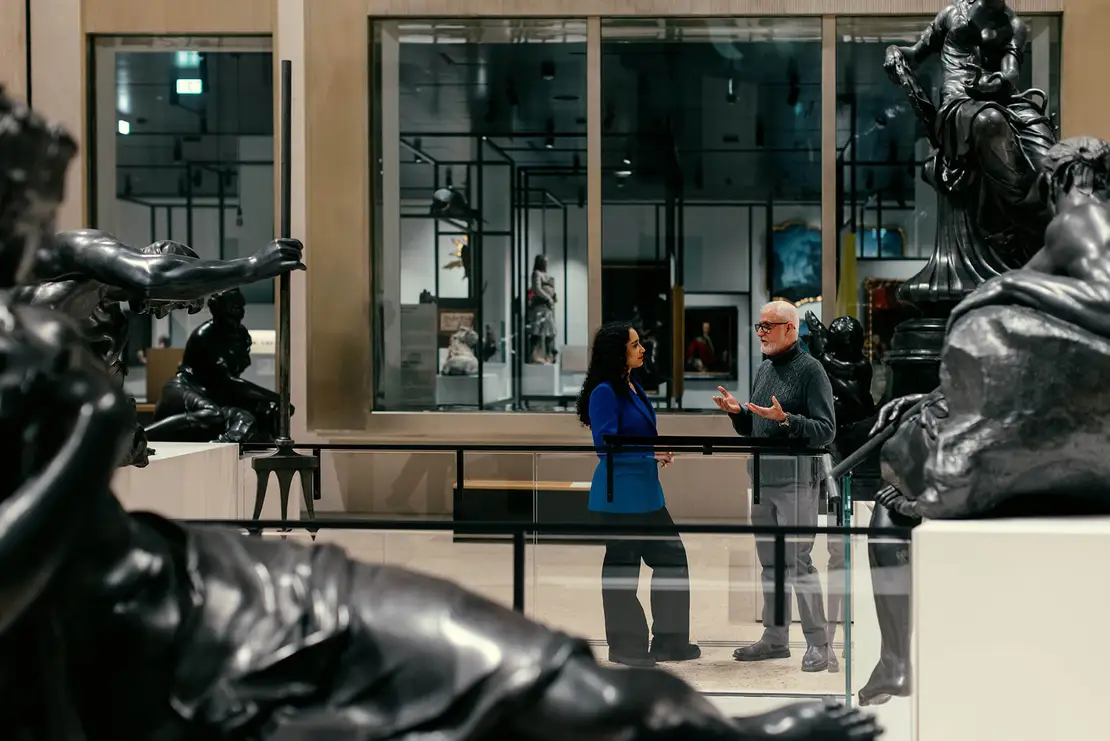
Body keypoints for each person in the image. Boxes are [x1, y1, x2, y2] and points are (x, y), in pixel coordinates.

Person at [712, 301, 836, 672]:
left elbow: (826, 430)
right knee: (770, 565)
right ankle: (775, 638)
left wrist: (787, 420)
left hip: (796, 479)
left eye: (769, 325)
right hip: (762, 479)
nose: (761, 332)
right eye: (759, 325)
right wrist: (739, 414)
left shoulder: (812, 370)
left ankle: (819, 644)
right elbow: (756, 428)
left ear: (791, 329)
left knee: (797, 562)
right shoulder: (765, 367)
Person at [576, 322, 699, 668]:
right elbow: (606, 447)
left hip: (648, 495)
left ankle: (670, 642)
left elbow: (641, 436)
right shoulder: (604, 392)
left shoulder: (631, 386)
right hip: (620, 497)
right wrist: (649, 453)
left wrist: (657, 449)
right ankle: (626, 648)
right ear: (618, 353)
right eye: (634, 345)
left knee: (672, 559)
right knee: (623, 571)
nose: (642, 348)